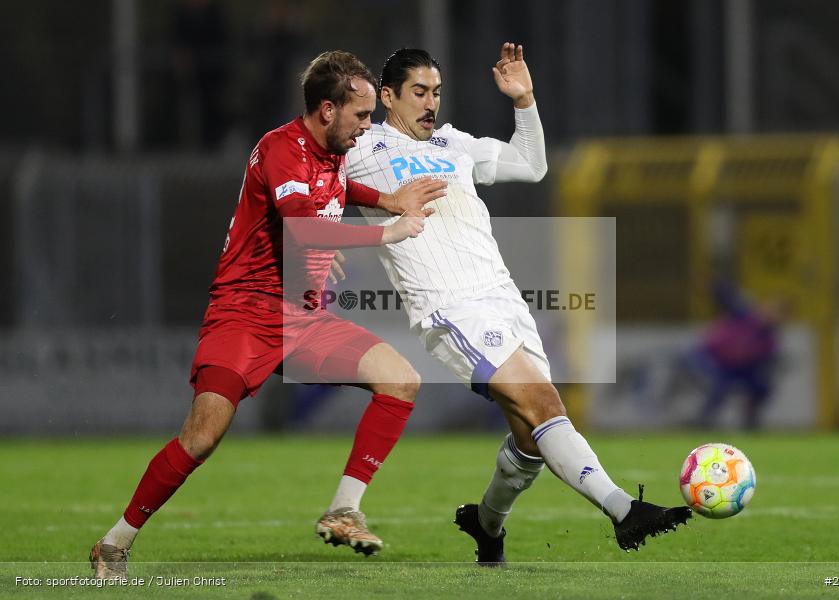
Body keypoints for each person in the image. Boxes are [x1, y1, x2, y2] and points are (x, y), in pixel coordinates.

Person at [90, 50, 447, 578]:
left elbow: (332, 192)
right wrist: (386, 229)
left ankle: (344, 509)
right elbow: (303, 226)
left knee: (401, 379)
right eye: (361, 115)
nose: (368, 126)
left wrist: (387, 199)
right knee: (202, 436)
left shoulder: (332, 150)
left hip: (303, 318)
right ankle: (115, 543)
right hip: (245, 312)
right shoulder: (280, 149)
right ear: (327, 109)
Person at [344, 44, 691, 565]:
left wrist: (524, 101)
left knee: (531, 437)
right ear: (387, 95)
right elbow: (310, 188)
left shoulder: (452, 141)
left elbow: (530, 166)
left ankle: (486, 525)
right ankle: (625, 512)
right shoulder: (360, 146)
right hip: (448, 306)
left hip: (503, 300)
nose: (430, 102)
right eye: (418, 92)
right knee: (544, 402)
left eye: (436, 92)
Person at [682, 281, 785, 430]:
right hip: (713, 358)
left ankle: (750, 420)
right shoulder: (746, 315)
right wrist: (711, 283)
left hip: (738, 368)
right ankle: (703, 420)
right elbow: (727, 297)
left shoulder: (770, 340)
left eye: (778, 314)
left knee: (762, 387)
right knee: (720, 384)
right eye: (772, 310)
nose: (773, 316)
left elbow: (761, 364)